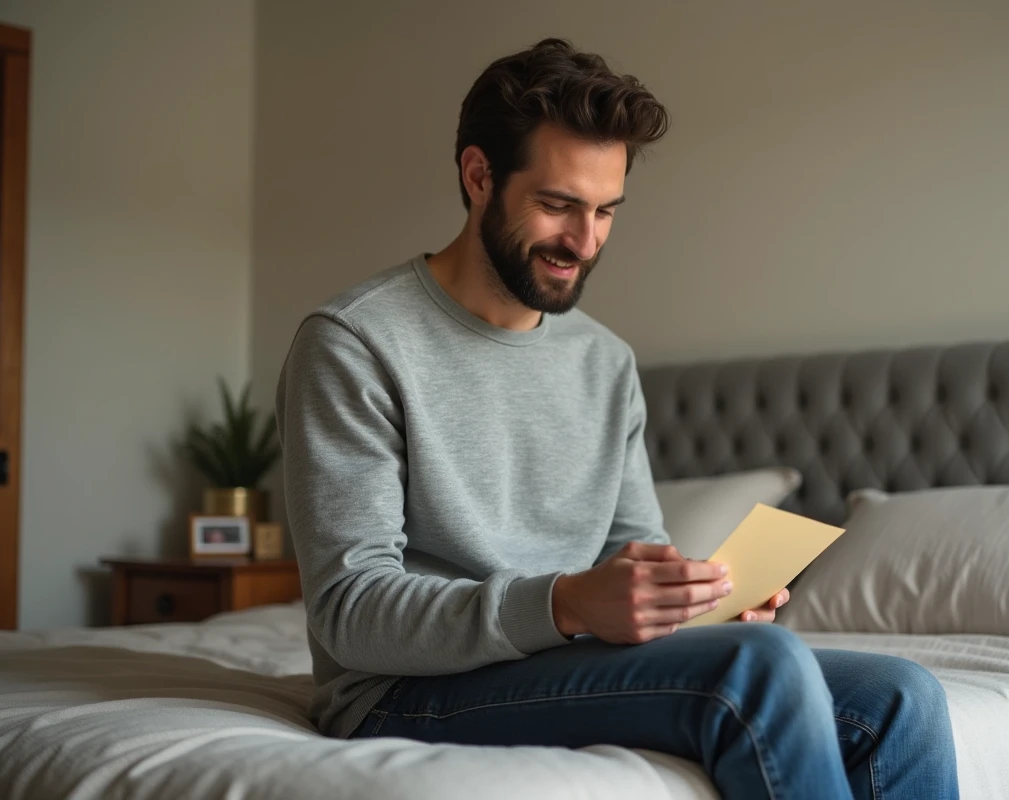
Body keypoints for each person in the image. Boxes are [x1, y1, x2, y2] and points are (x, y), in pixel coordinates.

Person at [275, 38, 959, 800]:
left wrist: (701, 606)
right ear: (478, 176)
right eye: (557, 205)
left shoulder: (604, 361)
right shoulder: (355, 342)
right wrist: (565, 603)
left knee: (902, 699)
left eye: (605, 211)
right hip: (402, 691)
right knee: (758, 670)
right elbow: (350, 610)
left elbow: (632, 555)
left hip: (563, 662)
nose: (585, 241)